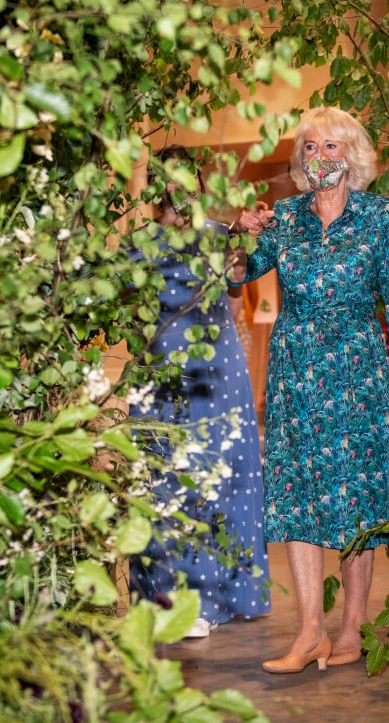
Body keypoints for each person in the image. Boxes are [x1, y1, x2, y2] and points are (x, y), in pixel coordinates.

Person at [228, 107, 389, 672]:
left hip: (360, 374)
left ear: (351, 155)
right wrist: (240, 234)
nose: (320, 156)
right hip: (296, 375)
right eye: (311, 147)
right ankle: (310, 631)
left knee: (358, 499)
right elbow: (239, 276)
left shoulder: (377, 215)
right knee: (298, 495)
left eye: (332, 146)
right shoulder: (285, 217)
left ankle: (353, 626)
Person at [129, 146, 270, 637]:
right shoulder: (139, 244)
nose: (179, 187)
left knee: (216, 479)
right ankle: (164, 596)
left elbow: (236, 295)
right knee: (164, 481)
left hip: (215, 374)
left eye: (186, 177)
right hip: (161, 375)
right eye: (168, 178)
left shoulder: (217, 234)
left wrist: (243, 242)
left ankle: (208, 600)